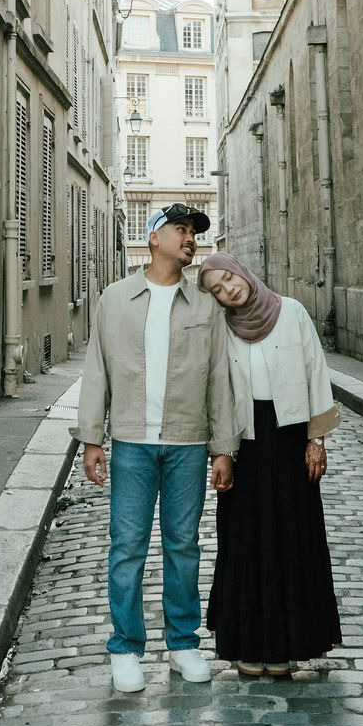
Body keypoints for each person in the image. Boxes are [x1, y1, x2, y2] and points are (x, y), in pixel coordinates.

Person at [70, 204, 238, 694]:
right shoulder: (115, 299)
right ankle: (125, 647)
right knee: (127, 547)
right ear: (153, 238)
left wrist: (223, 447)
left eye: (193, 232)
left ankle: (183, 643)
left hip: (187, 443)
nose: (190, 239)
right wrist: (91, 439)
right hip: (131, 443)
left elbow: (220, 380)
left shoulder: (206, 305)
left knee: (182, 546)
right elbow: (96, 370)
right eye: (180, 230)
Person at [197, 252, 342, 679]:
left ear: (241, 270)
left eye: (228, 279)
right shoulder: (221, 328)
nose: (228, 290)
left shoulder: (291, 311)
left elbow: (317, 372)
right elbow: (215, 387)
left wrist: (316, 440)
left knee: (292, 537)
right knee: (244, 540)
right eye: (218, 291)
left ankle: (286, 648)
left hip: (291, 435)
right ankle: (248, 644)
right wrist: (220, 448)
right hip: (244, 440)